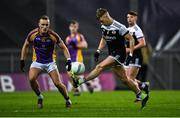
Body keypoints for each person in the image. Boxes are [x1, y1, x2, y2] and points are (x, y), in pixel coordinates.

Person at [71, 8, 149, 108]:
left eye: (101, 19)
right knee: (125, 79)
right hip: (112, 53)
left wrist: (130, 54)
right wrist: (98, 51)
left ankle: (79, 81)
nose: (100, 22)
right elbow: (104, 38)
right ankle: (141, 95)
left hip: (120, 54)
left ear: (106, 16)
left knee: (100, 67)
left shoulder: (120, 27)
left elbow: (131, 39)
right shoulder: (103, 26)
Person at [20, 15, 72, 108]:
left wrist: (68, 60)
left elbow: (64, 47)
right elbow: (25, 45)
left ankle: (67, 99)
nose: (45, 27)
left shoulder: (53, 35)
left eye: (47, 25)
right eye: (43, 24)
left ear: (49, 25)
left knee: (57, 84)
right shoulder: (33, 34)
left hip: (50, 62)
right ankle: (40, 96)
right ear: (39, 25)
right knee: (31, 79)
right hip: (37, 62)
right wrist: (22, 60)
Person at [65, 20, 93, 96]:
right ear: (69, 27)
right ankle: (86, 83)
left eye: (75, 27)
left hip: (78, 59)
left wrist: (76, 45)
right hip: (71, 60)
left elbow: (85, 45)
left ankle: (76, 90)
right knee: (70, 76)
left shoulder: (79, 36)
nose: (73, 28)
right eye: (72, 26)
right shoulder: (67, 39)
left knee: (72, 75)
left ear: (77, 27)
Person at [124, 11, 149, 94]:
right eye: (128, 17)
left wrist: (130, 49)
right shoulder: (127, 29)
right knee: (126, 79)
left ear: (135, 18)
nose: (129, 19)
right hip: (129, 56)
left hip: (136, 56)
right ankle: (143, 85)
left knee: (129, 79)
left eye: (131, 17)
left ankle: (140, 95)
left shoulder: (136, 29)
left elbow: (143, 43)